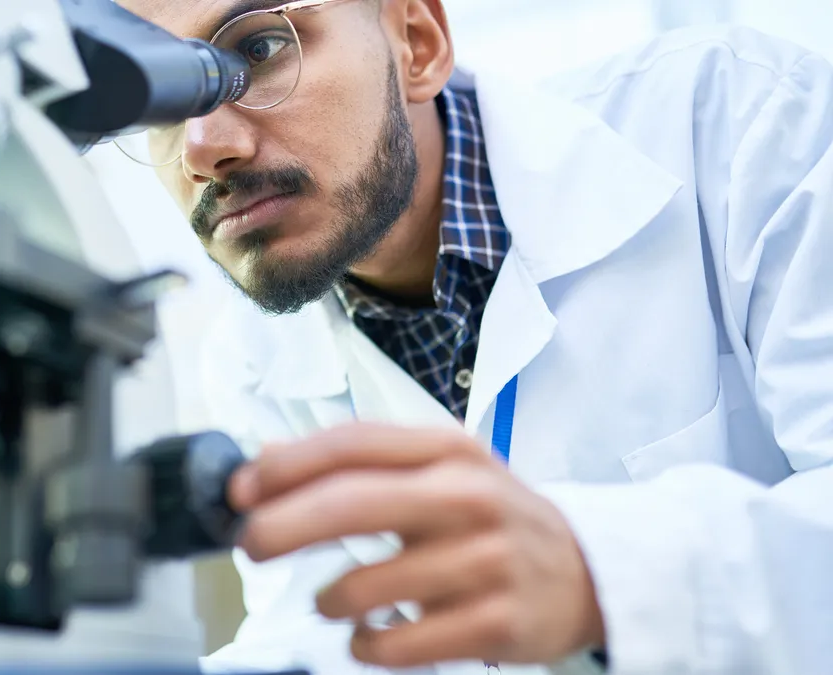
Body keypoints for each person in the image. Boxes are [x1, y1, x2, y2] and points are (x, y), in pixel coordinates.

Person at [112, 0, 833, 673]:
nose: (202, 148)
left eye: (259, 49)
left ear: (416, 43)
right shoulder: (252, 359)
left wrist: (606, 571)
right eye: (162, 99)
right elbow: (316, 639)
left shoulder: (743, 122)